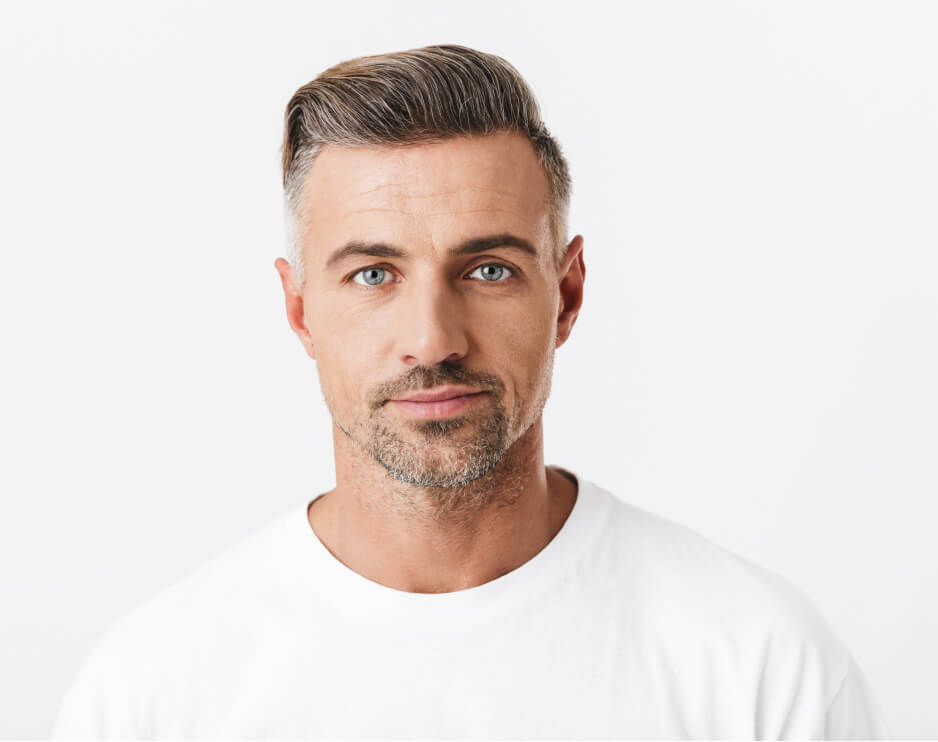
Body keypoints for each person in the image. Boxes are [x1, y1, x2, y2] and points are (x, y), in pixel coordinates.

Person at [51, 44, 890, 740]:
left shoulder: (759, 669)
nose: (434, 339)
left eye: (488, 270)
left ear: (566, 296)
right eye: (373, 273)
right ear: (301, 311)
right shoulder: (150, 697)